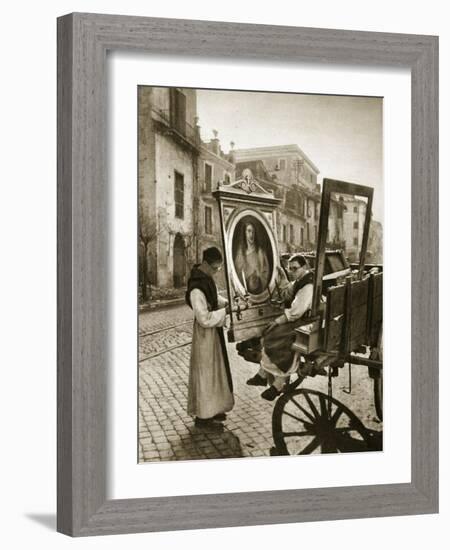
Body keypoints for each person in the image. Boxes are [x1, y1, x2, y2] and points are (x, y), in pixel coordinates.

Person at [246, 254, 314, 401]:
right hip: (301, 319)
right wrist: (281, 276)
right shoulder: (300, 280)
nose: (292, 271)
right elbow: (287, 292)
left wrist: (278, 321)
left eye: (295, 268)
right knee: (270, 333)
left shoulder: (308, 285)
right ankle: (263, 375)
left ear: (305, 267)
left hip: (306, 322)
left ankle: (278, 384)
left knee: (275, 335)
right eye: (290, 269)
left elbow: (297, 311)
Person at [186, 247, 234, 430]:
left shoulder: (205, 279)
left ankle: (214, 409)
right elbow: (204, 318)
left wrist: (226, 303)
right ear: (206, 264)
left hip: (213, 335)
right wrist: (225, 312)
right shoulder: (196, 287)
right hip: (205, 336)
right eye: (215, 267)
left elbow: (213, 299)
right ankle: (203, 417)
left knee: (215, 374)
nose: (216, 271)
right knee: (206, 375)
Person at [234, 221, 270, 294]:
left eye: (253, 232)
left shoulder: (260, 251)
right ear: (245, 233)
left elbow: (266, 271)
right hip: (246, 290)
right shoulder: (241, 252)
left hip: (260, 288)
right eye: (249, 231)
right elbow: (238, 273)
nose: (251, 234)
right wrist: (250, 275)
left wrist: (259, 276)